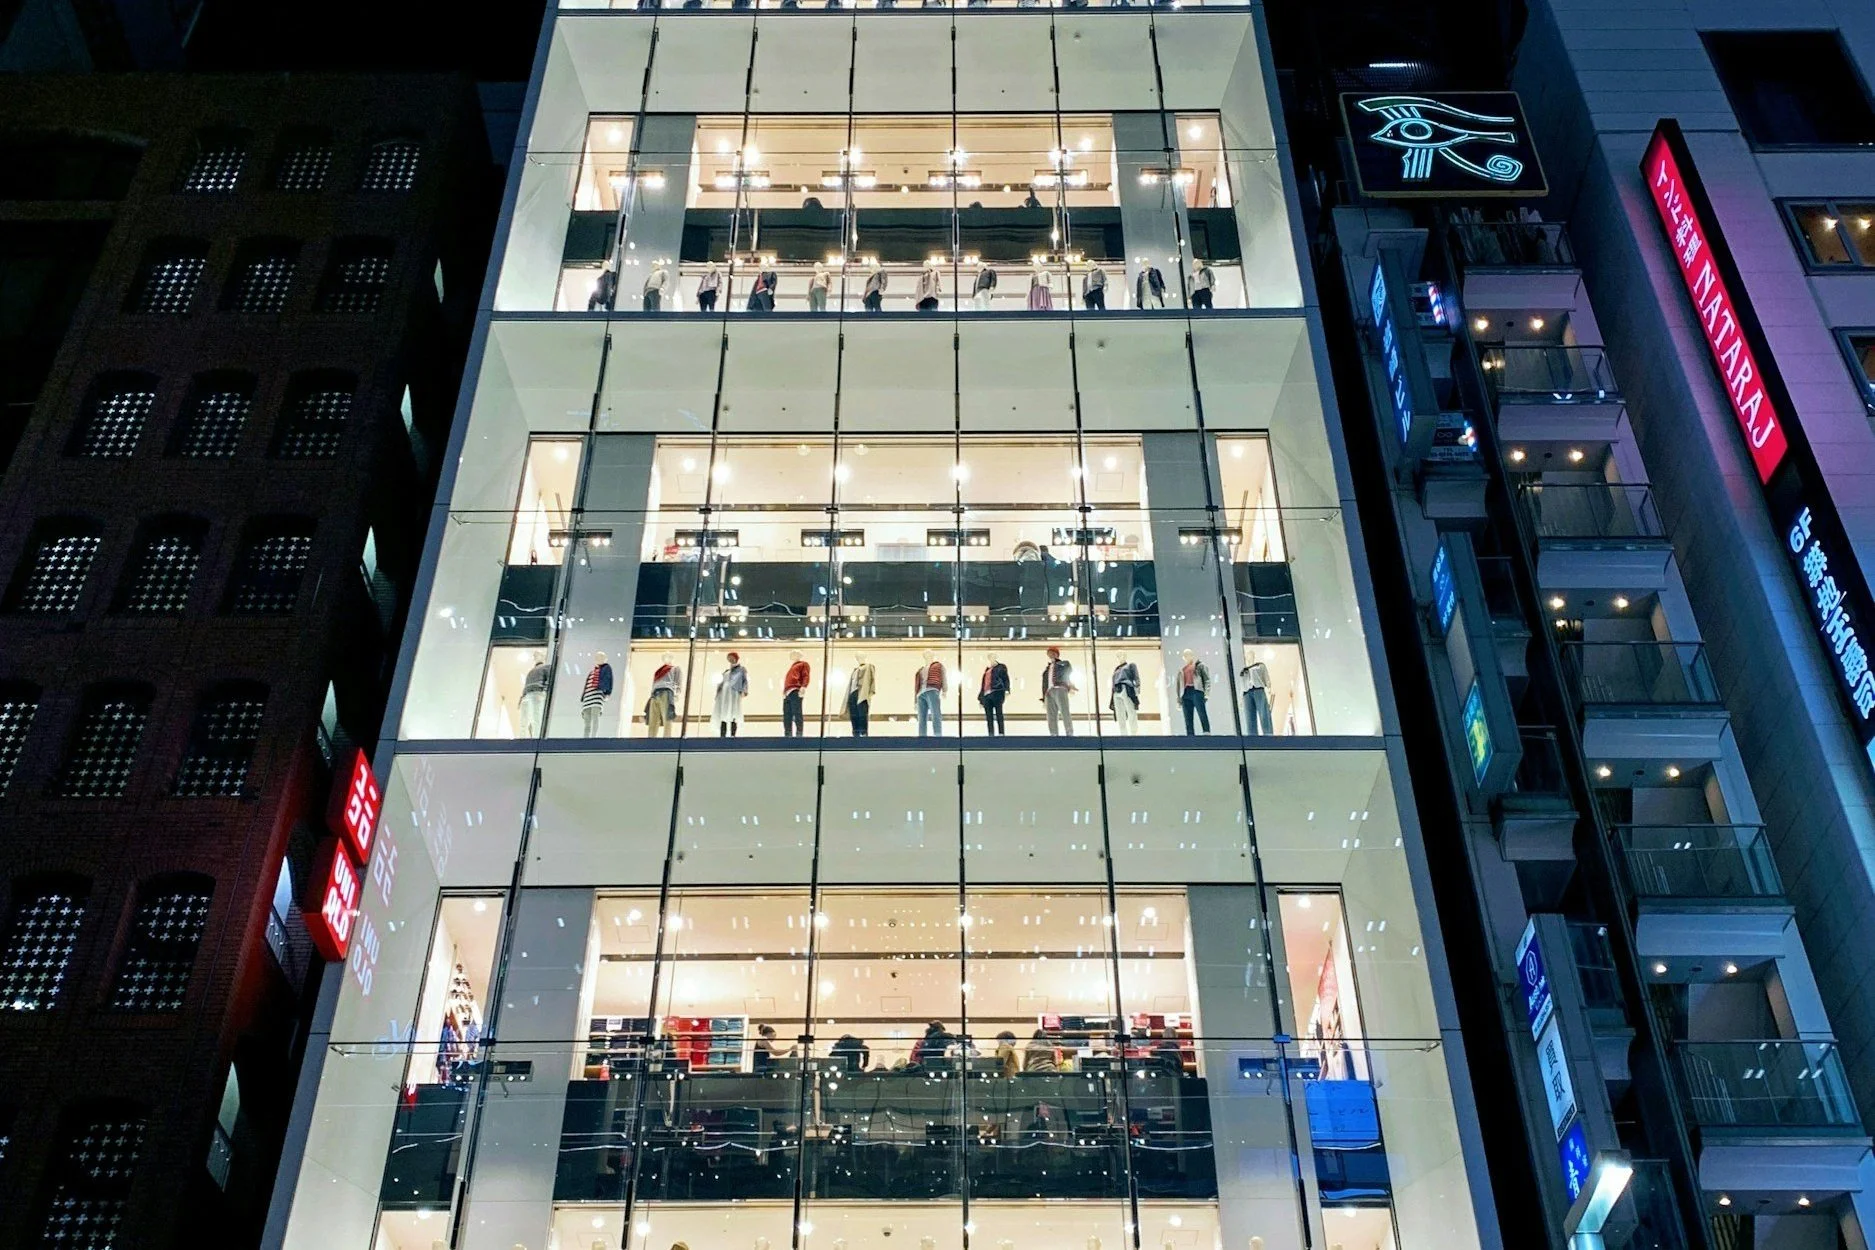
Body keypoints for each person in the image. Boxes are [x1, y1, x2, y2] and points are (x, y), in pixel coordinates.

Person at [1041, 646, 1075, 736]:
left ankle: (1069, 732)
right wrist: (1044, 698)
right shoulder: (1047, 669)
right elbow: (1044, 684)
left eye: (1052, 653)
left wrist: (1069, 684)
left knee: (1064, 710)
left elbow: (1068, 671)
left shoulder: (1063, 664)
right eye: (1049, 654)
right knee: (1051, 715)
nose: (1051, 655)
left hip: (1059, 688)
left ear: (1056, 654)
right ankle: (1053, 733)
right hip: (1049, 692)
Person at [1177, 647, 1211, 735]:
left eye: (1188, 655)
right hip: (1185, 693)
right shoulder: (1182, 670)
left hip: (1196, 691)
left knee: (1201, 712)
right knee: (1187, 716)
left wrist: (1207, 693)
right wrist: (1179, 700)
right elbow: (1178, 686)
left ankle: (1206, 731)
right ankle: (1190, 734)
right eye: (1185, 655)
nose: (1186, 657)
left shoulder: (1200, 666)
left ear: (1192, 655)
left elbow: (1207, 680)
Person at [715, 652, 749, 737]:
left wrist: (744, 691)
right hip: (725, 694)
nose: (730, 660)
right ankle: (722, 734)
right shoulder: (727, 671)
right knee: (724, 712)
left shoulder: (741, 670)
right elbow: (721, 683)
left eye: (732, 658)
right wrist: (717, 693)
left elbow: (745, 681)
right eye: (729, 658)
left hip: (734, 693)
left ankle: (733, 734)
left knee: (734, 713)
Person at [581, 653, 613, 737]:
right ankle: (585, 738)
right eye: (597, 657)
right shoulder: (592, 672)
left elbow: (609, 679)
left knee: (595, 718)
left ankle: (593, 737)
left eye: (601, 657)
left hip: (597, 697)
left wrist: (608, 693)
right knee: (587, 722)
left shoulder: (606, 668)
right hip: (588, 698)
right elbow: (586, 685)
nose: (599, 659)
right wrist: (583, 698)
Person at [977, 653, 1010, 735]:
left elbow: (1005, 678)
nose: (991, 658)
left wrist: (1007, 690)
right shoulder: (987, 670)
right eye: (990, 657)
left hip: (997, 691)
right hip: (987, 694)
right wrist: (981, 699)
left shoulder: (1001, 667)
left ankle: (1001, 733)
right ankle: (991, 733)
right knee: (989, 716)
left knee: (999, 713)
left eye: (993, 657)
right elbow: (983, 685)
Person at [781, 651, 811, 737]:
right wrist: (784, 691)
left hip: (795, 690)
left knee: (797, 712)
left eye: (794, 654)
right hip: (788, 692)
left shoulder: (803, 664)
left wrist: (804, 686)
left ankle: (799, 734)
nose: (792, 656)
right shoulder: (792, 667)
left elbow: (806, 676)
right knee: (787, 715)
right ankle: (788, 734)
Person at [518, 659, 550, 737]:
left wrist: (521, 699)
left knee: (524, 722)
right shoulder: (547, 667)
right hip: (537, 693)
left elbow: (525, 687)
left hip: (526, 696)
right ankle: (537, 738)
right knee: (537, 719)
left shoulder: (530, 672)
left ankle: (522, 740)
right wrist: (545, 692)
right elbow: (549, 680)